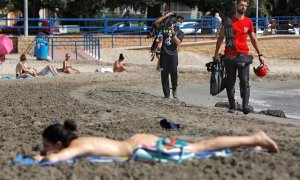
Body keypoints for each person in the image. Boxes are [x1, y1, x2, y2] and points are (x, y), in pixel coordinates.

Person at [33, 120, 278, 163]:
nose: (45, 149)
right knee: (202, 148)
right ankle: (252, 144)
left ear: (57, 143)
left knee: (201, 147)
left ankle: (254, 138)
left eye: (46, 145)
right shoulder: (80, 139)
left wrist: (43, 158)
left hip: (142, 147)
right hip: (138, 141)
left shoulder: (77, 147)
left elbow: (60, 158)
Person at [213, 0, 265, 114]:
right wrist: (216, 53)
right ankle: (232, 106)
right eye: (241, 5)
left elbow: (253, 39)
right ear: (236, 6)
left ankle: (245, 106)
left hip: (243, 56)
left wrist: (260, 54)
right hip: (230, 56)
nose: (243, 7)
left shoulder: (248, 22)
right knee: (230, 82)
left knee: (244, 82)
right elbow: (221, 37)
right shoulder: (227, 21)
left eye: (245, 5)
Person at [154, 12, 184, 98]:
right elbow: (156, 23)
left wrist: (173, 33)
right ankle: (166, 94)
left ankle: (174, 89)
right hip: (164, 55)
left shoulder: (180, 32)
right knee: (164, 75)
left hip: (173, 56)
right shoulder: (164, 28)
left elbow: (178, 43)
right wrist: (166, 15)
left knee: (174, 74)